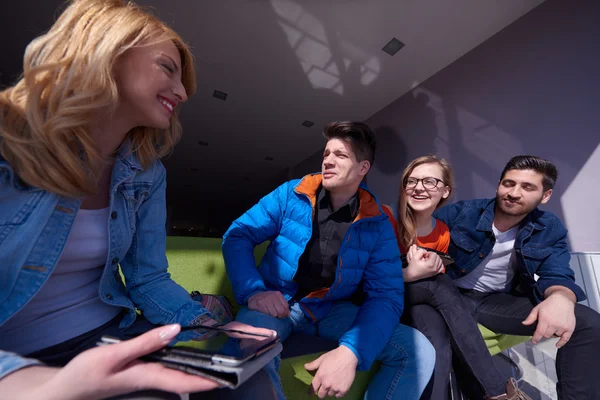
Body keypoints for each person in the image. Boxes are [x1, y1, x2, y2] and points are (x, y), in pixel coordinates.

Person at [0, 1, 274, 399]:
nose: (181, 92)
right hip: (17, 361)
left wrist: (209, 326)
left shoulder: (147, 172)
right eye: (167, 68)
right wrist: (28, 383)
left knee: (250, 380)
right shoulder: (9, 137)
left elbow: (148, 278)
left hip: (112, 333)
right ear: (106, 52)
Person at [222, 121, 437, 400]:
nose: (329, 161)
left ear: (363, 168)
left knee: (419, 350)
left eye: (341, 155)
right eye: (326, 154)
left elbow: (386, 295)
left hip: (330, 309)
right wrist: (253, 291)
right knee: (249, 349)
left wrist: (352, 351)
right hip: (278, 302)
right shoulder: (293, 193)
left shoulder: (378, 223)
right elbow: (238, 234)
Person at [403, 155, 600, 400]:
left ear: (545, 196)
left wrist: (560, 297)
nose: (514, 192)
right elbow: (419, 233)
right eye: (509, 183)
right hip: (449, 295)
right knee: (438, 328)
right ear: (498, 185)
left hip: (495, 302)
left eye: (527, 187)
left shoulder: (549, 227)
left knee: (589, 323)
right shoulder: (462, 213)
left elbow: (557, 272)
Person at [382, 156, 529, 399]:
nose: (419, 187)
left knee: (437, 340)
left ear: (445, 191)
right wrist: (410, 273)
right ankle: (497, 391)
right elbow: (364, 277)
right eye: (412, 181)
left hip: (415, 304)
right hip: (380, 299)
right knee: (439, 285)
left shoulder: (443, 233)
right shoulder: (387, 218)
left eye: (430, 181)